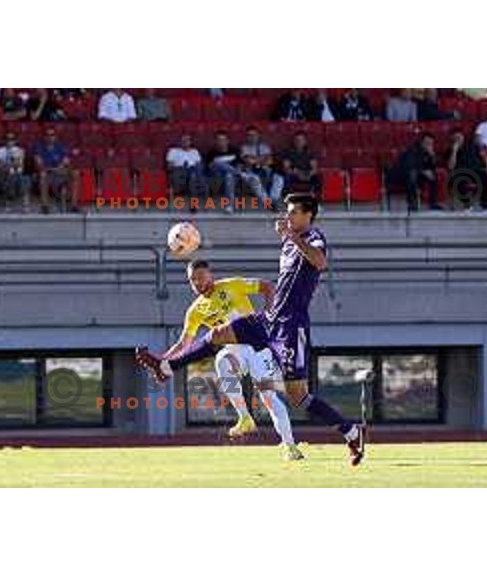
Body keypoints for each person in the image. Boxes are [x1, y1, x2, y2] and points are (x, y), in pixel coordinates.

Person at [136, 193, 369, 466]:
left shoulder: (314, 237)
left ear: (308, 215)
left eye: (293, 212)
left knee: (298, 396)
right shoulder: (289, 244)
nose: (288, 216)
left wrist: (291, 237)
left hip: (291, 327)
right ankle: (165, 369)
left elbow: (319, 262)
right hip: (269, 319)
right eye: (287, 211)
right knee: (218, 334)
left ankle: (351, 432)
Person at [161, 260, 304, 461]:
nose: (197, 283)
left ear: (210, 275)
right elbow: (184, 343)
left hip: (257, 348)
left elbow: (266, 286)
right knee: (222, 361)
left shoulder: (231, 285)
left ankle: (290, 446)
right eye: (192, 280)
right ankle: (244, 417)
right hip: (233, 350)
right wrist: (162, 360)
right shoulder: (195, 310)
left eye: (201, 278)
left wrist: (270, 314)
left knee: (268, 397)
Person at [206, 131, 268, 213]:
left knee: (254, 177)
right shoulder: (212, 153)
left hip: (235, 176)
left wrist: (238, 170)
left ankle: (266, 201)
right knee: (219, 164)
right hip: (218, 177)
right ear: (216, 141)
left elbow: (240, 164)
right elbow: (209, 167)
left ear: (227, 141)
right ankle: (229, 205)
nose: (221, 142)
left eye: (223, 140)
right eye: (219, 140)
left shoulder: (234, 151)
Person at [387, 133, 441, 212]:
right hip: (400, 177)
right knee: (412, 174)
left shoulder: (428, 153)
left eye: (431, 143)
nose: (429, 145)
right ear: (421, 143)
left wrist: (432, 157)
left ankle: (433, 202)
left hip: (415, 177)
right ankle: (412, 203)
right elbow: (409, 167)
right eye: (427, 143)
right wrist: (423, 172)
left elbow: (432, 168)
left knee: (433, 174)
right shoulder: (413, 150)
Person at [33, 127, 78, 214]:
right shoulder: (39, 147)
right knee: (43, 175)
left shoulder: (60, 146)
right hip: (47, 174)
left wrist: (57, 168)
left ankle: (74, 206)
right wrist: (52, 169)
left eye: (52, 135)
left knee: (75, 174)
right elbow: (39, 164)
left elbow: (66, 162)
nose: (50, 137)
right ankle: (45, 206)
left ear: (55, 136)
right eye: (48, 135)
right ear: (44, 137)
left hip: (59, 173)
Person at [446, 130, 487, 211]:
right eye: (456, 138)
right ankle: (467, 205)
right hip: (460, 174)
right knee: (456, 180)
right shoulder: (450, 150)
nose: (458, 140)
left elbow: (485, 157)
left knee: (486, 176)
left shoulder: (473, 147)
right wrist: (454, 151)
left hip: (475, 171)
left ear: (463, 137)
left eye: (459, 137)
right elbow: (450, 166)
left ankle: (484, 204)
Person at [240, 126, 284, 208]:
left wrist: (257, 160)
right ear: (247, 137)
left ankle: (274, 200)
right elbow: (249, 161)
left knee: (279, 178)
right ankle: (267, 202)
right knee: (254, 179)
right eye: (250, 135)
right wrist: (262, 159)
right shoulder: (244, 147)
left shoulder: (265, 146)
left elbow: (270, 161)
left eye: (254, 135)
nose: (252, 137)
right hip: (250, 172)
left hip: (265, 170)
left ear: (258, 136)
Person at [0, 131, 32, 212]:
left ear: (15, 140)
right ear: (4, 140)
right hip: (2, 175)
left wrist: (9, 164)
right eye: (7, 139)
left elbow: (20, 166)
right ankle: (9, 203)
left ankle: (25, 205)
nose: (10, 141)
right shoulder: (0, 150)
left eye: (12, 139)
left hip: (17, 174)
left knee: (25, 178)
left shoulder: (20, 150)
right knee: (11, 176)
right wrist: (12, 164)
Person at [166, 134, 205, 211]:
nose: (185, 142)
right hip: (179, 174)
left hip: (192, 174)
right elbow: (169, 167)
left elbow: (199, 166)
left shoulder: (195, 152)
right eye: (183, 141)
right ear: (180, 142)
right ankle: (200, 188)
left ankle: (193, 204)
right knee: (192, 174)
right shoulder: (173, 151)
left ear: (190, 142)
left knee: (193, 175)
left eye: (187, 140)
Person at [281, 131, 322, 199]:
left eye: (301, 140)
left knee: (317, 178)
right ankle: (289, 198)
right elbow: (286, 168)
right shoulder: (288, 152)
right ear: (294, 141)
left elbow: (315, 168)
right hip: (294, 174)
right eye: (297, 140)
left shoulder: (310, 152)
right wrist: (297, 173)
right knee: (286, 177)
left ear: (305, 141)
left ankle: (313, 197)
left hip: (307, 174)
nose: (299, 142)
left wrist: (309, 174)